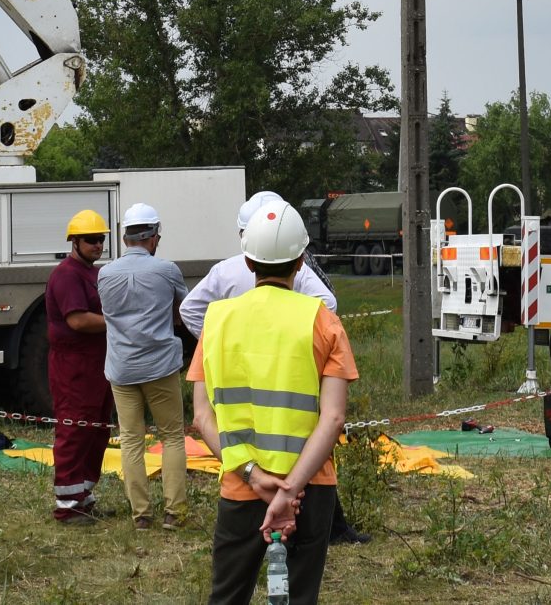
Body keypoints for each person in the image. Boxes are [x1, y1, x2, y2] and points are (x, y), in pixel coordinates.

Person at [189, 199, 357, 605]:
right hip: (310, 489)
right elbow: (333, 419)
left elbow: (201, 417)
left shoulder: (218, 320)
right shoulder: (323, 320)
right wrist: (290, 491)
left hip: (243, 486)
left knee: (227, 597)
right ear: (301, 261)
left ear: (248, 263)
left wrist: (253, 476)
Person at [98, 201, 192, 530]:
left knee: (131, 439)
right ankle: (174, 513)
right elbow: (186, 309)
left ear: (124, 239)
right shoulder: (167, 270)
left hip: (122, 367)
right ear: (153, 237)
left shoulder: (105, 273)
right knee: (172, 437)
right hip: (159, 365)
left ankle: (140, 515)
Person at [178, 191, 337, 336]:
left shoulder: (224, 271)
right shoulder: (299, 271)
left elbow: (189, 309)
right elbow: (328, 305)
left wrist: (216, 343)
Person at [46, 208, 111, 523]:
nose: (98, 245)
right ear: (74, 241)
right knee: (74, 429)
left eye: (101, 240)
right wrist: (119, 324)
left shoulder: (93, 273)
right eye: (91, 240)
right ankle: (68, 506)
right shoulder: (67, 275)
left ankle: (83, 495)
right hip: (73, 367)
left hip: (97, 365)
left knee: (96, 430)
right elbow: (79, 320)